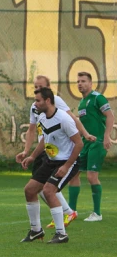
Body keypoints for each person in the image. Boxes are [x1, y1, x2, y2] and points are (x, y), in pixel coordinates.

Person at [13, 75, 93, 229]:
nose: (37, 89)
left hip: (60, 152)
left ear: (48, 89)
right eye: (35, 86)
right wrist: (27, 152)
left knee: (48, 189)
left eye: (40, 86)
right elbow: (32, 129)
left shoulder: (56, 103)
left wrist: (85, 133)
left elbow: (72, 119)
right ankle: (44, 226)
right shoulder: (36, 108)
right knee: (35, 188)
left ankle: (65, 218)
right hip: (45, 149)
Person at [20, 87, 83, 244]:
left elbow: (79, 143)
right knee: (29, 190)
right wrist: (32, 156)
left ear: (48, 101)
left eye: (38, 100)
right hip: (50, 160)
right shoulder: (42, 117)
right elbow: (45, 139)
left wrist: (67, 166)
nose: (35, 104)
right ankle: (36, 230)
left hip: (67, 161)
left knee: (49, 191)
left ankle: (61, 234)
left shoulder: (64, 119)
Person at [67, 71, 114, 221]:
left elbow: (110, 116)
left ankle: (97, 213)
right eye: (78, 81)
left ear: (90, 83)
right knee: (73, 174)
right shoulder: (82, 102)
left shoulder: (97, 98)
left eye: (83, 81)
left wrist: (106, 136)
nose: (80, 84)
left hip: (97, 142)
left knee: (92, 176)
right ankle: (71, 211)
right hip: (85, 144)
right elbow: (83, 126)